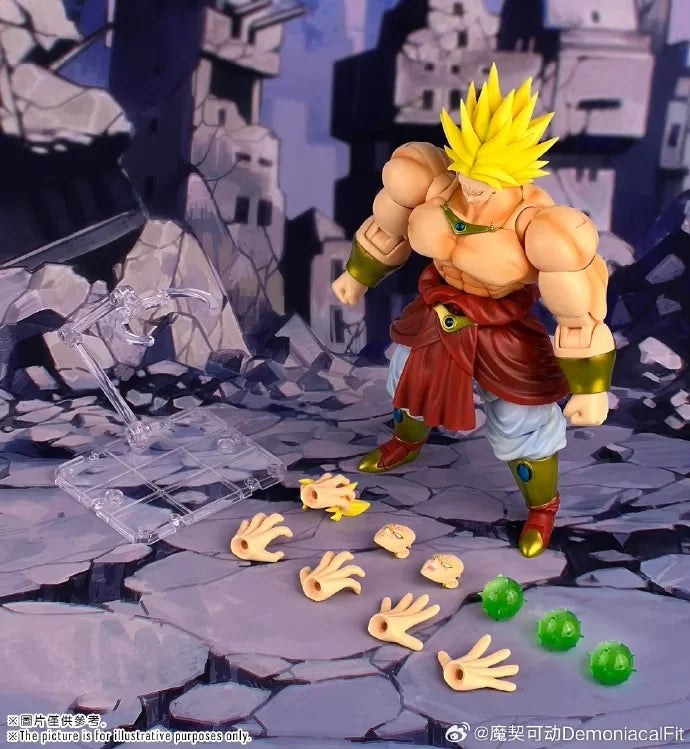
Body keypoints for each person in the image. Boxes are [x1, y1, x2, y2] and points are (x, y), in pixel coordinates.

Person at [331, 64, 616, 558]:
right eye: (464, 171)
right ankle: (406, 442)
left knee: (523, 424)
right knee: (406, 383)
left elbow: (578, 310)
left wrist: (592, 388)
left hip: (500, 328)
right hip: (436, 311)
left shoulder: (541, 226)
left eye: (483, 179)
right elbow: (388, 227)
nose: (469, 185)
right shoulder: (436, 184)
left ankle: (542, 506)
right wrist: (357, 275)